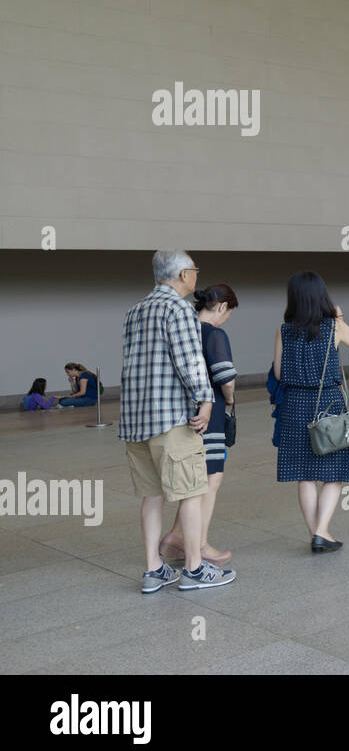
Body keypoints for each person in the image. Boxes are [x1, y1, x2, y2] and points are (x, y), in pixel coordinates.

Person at [119, 250, 233, 593]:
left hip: (136, 421)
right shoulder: (179, 308)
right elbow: (189, 360)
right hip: (171, 419)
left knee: (151, 497)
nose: (197, 275)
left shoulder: (134, 311)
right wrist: (205, 398)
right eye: (194, 270)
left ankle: (154, 570)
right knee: (192, 492)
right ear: (183, 274)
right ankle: (195, 570)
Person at [272, 271, 349, 553]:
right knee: (333, 472)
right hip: (328, 403)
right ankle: (322, 531)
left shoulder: (284, 329)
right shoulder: (333, 327)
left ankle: (316, 533)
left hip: (293, 405)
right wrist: (341, 321)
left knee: (304, 474)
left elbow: (279, 373)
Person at [160, 284, 239, 568]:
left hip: (181, 413)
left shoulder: (181, 330)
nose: (226, 318)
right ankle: (200, 544)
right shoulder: (214, 334)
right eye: (228, 312)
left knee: (194, 480)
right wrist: (229, 400)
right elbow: (225, 378)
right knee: (209, 480)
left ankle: (176, 537)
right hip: (210, 413)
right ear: (221, 307)